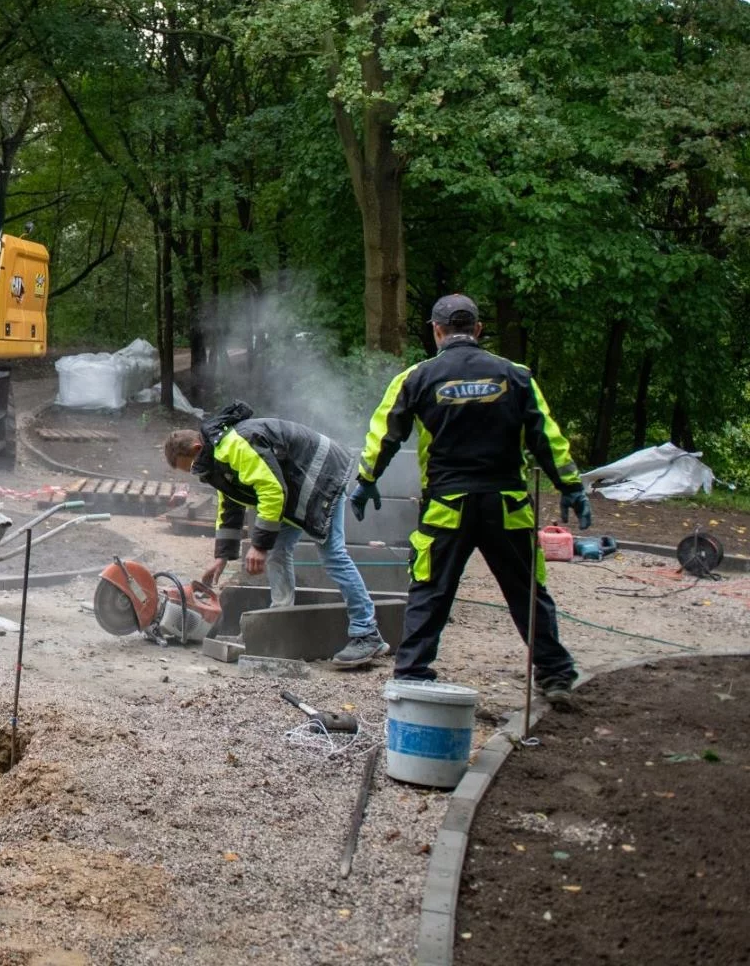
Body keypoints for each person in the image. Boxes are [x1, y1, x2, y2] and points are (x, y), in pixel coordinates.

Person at [353, 293, 589, 705]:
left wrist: (366, 478)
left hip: (448, 507)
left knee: (429, 590)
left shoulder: (417, 377)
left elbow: (385, 432)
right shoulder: (515, 376)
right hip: (508, 505)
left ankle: (412, 676)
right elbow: (546, 437)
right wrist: (571, 486)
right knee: (527, 592)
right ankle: (554, 674)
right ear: (477, 330)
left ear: (436, 331)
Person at [164, 402, 389, 667]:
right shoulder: (217, 455)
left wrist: (259, 545)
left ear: (197, 449)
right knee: (279, 552)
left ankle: (367, 633)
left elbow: (272, 491)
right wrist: (222, 556)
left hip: (321, 475)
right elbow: (231, 504)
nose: (193, 473)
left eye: (189, 466)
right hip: (295, 487)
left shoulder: (235, 445)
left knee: (333, 555)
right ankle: (278, 620)